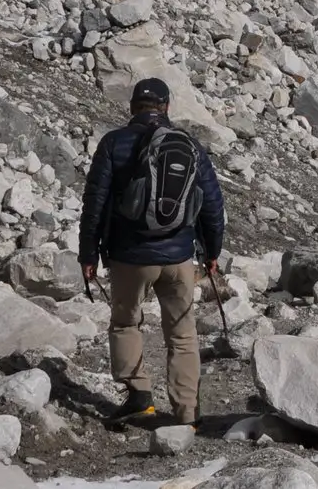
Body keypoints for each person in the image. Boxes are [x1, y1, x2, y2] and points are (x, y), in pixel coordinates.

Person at [80, 77, 225, 426]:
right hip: (178, 258)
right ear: (166, 107)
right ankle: (187, 413)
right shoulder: (189, 145)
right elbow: (212, 204)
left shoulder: (113, 143)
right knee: (182, 333)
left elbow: (95, 203)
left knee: (125, 323)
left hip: (129, 258)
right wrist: (211, 252)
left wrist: (88, 254)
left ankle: (139, 396)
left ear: (132, 107)